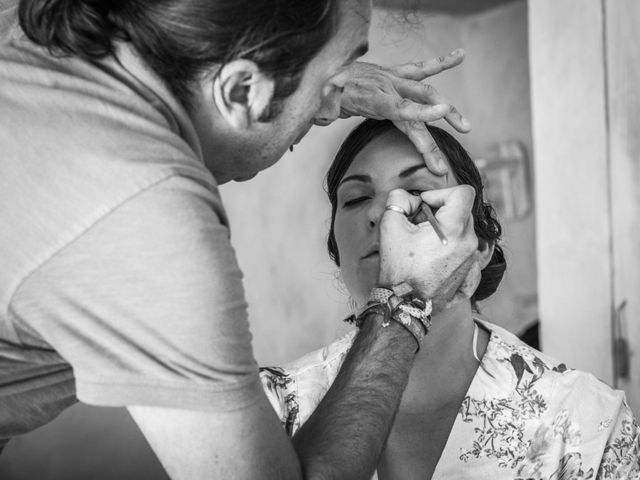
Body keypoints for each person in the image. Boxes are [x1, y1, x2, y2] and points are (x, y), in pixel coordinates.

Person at [0, 0, 483, 478]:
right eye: (333, 82)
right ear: (240, 89)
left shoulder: (28, 33)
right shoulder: (141, 216)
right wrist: (405, 301)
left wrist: (321, 78)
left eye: (416, 189)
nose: (383, 213)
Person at [261, 119, 640, 480]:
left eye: (415, 192)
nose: (381, 213)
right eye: (357, 198)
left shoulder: (585, 422)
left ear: (480, 249)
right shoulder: (273, 410)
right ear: (336, 251)